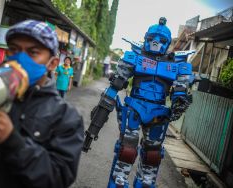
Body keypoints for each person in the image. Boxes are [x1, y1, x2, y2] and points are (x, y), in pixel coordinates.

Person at [0, 20, 84, 188]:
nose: (20, 58)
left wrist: (13, 142)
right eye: (14, 49)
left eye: (33, 52)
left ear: (52, 63)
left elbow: (58, 178)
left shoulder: (66, 117)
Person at [83, 17, 194, 188]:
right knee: (127, 150)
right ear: (146, 38)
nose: (156, 42)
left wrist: (180, 99)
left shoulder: (177, 63)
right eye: (152, 38)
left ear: (168, 42)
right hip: (134, 108)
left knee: (153, 155)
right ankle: (119, 181)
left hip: (158, 113)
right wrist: (103, 109)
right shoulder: (135, 56)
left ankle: (145, 183)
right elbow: (116, 85)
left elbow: (181, 89)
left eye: (161, 40)